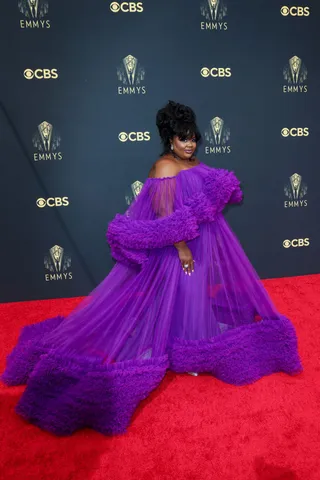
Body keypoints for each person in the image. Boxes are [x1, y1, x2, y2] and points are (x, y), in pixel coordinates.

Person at [1, 100, 303, 437]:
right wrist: (183, 248)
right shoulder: (164, 168)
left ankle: (190, 346)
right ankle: (186, 352)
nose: (190, 144)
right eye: (182, 138)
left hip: (199, 245)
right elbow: (163, 216)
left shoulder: (190, 162)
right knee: (187, 293)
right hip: (178, 249)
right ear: (169, 139)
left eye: (193, 138)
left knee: (194, 297)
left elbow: (202, 196)